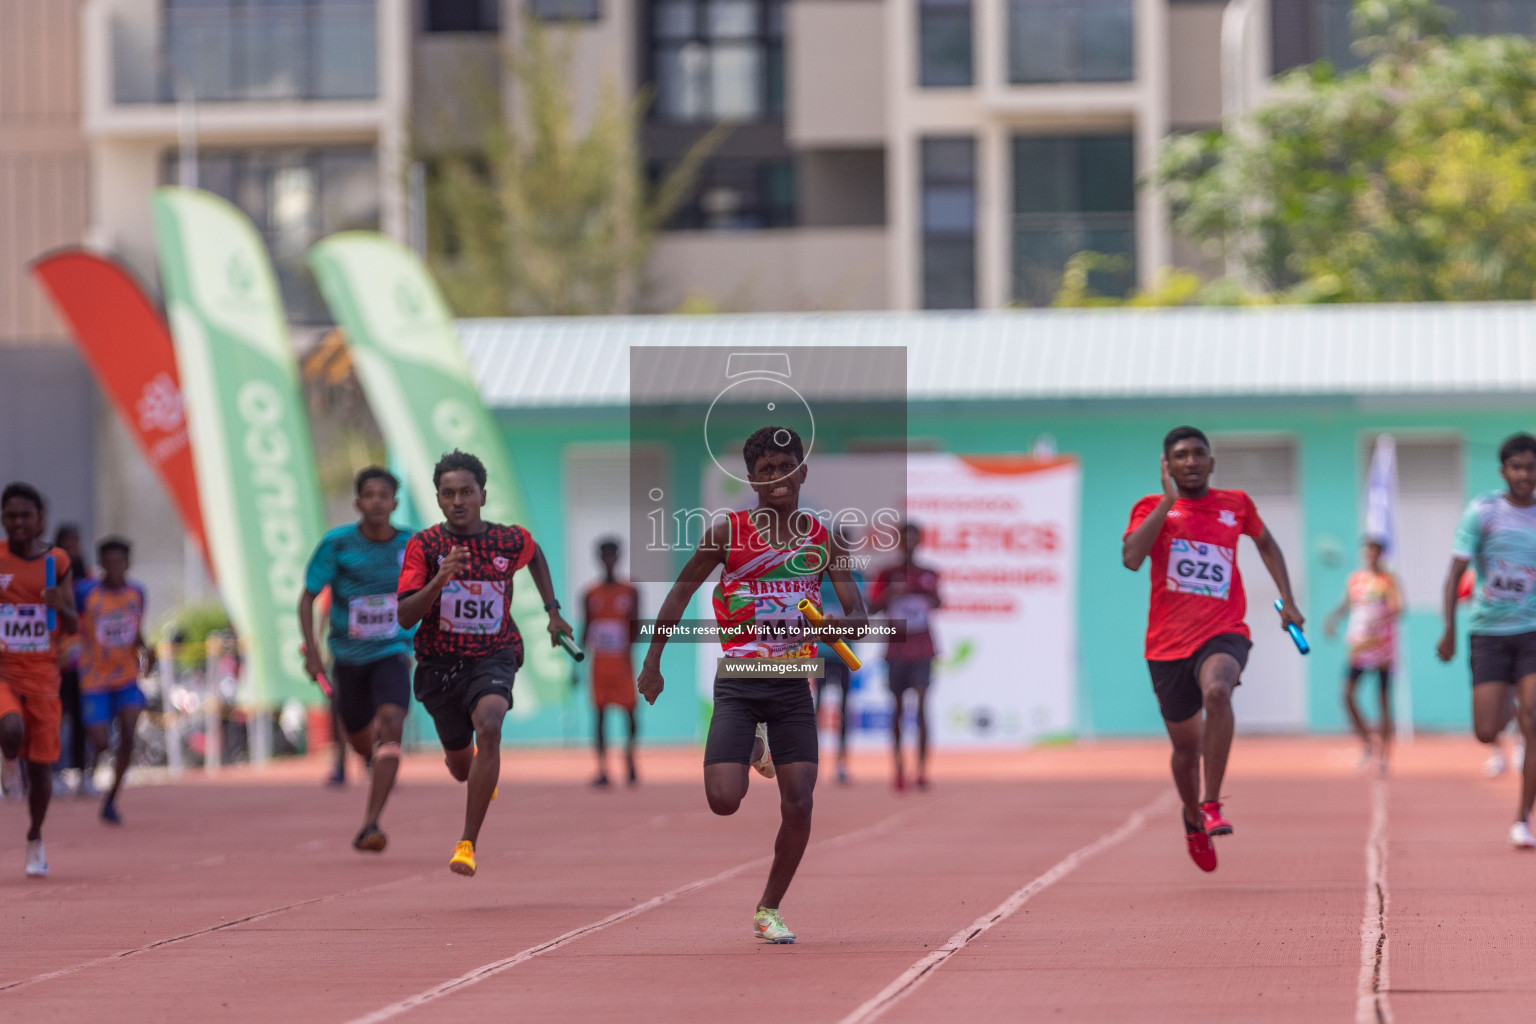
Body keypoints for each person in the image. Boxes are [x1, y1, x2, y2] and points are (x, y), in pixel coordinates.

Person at [637, 425, 868, 944]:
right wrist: (654, 662)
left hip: (791, 686)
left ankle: (769, 907)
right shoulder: (727, 533)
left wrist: (837, 624)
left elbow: (858, 611)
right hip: (739, 684)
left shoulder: (822, 537)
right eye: (766, 470)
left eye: (786, 467)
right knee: (723, 799)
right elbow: (678, 596)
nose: (778, 477)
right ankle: (753, 745)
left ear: (802, 473)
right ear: (752, 480)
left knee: (801, 803)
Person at [1121, 427, 1304, 873]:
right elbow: (1130, 558)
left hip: (1224, 628)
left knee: (1218, 692)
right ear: (1167, 464)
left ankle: (1210, 803)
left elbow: (1266, 542)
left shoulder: (1235, 503)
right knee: (1185, 751)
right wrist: (1166, 503)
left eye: (1199, 454)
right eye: (1181, 456)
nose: (1191, 462)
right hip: (1166, 646)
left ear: (1212, 462)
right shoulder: (1151, 507)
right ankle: (1191, 819)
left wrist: (1289, 599)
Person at [397, 450, 571, 876]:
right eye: (448, 494)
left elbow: (537, 555)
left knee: (490, 725)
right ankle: (478, 774)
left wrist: (552, 610)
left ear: (483, 494)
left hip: (493, 654)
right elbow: (404, 615)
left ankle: (467, 843)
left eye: (467, 492)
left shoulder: (508, 540)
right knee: (462, 767)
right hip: (439, 665)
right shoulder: (426, 545)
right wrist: (440, 579)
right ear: (438, 499)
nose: (458, 501)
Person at [300, 467, 416, 852]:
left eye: (385, 495)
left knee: (393, 722)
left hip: (393, 651)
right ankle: (372, 756)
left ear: (395, 503)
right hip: (348, 658)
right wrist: (313, 651)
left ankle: (371, 823)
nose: (377, 502)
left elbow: (432, 593)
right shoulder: (338, 544)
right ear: (358, 502)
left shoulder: (412, 544)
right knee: (361, 741)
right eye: (369, 495)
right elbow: (307, 597)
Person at [1436, 432, 1536, 849]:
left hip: (1531, 632)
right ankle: (1512, 699)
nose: (1525, 475)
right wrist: (1448, 631)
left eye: (1532, 468)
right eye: (1518, 468)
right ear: (1504, 471)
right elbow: (1454, 574)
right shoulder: (1483, 511)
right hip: (1489, 633)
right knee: (1486, 730)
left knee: (1535, 720)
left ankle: (1521, 819)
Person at [0, 482, 79, 877]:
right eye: (10, 515)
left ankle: (34, 836)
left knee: (42, 771)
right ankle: (8, 760)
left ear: (39, 519)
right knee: (10, 726)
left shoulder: (57, 561)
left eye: (25, 516)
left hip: (44, 677)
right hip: (3, 673)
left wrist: (58, 604)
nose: (17, 523)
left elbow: (73, 623)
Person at [77, 537, 154, 825]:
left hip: (125, 677)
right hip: (94, 679)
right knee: (100, 742)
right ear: (101, 565)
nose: (114, 568)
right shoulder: (87, 593)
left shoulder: (137, 593)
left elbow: (135, 630)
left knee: (129, 733)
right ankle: (90, 765)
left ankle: (111, 798)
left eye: (120, 562)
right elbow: (71, 621)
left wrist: (147, 652)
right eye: (108, 563)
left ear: (128, 564)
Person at [870, 522, 942, 791]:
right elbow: (873, 607)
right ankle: (899, 769)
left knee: (923, 705)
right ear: (898, 542)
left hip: (923, 647)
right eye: (905, 539)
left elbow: (938, 603)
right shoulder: (887, 573)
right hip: (896, 648)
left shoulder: (929, 573)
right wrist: (892, 593)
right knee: (898, 708)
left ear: (920, 542)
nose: (909, 544)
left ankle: (922, 770)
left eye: (914, 539)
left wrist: (924, 592)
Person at [1323, 539, 1402, 775]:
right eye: (1367, 552)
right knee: (1347, 694)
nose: (1371, 556)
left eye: (1375, 552)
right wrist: (1333, 618)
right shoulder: (1355, 579)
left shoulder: (1389, 580)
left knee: (1383, 700)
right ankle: (1367, 741)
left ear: (1381, 554)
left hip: (1383, 647)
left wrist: (1385, 606)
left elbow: (1399, 608)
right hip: (1359, 646)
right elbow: (1346, 604)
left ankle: (1385, 755)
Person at [579, 538, 641, 788]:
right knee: (600, 716)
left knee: (630, 713)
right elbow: (586, 628)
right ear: (599, 558)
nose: (609, 560)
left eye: (613, 555)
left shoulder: (630, 592)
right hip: (600, 664)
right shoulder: (589, 594)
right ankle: (603, 769)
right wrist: (576, 662)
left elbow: (636, 627)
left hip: (622, 663)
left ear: (619, 557)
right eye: (605, 555)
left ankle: (630, 761)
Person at [814, 527, 863, 786]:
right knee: (816, 707)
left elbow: (861, 613)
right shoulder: (815, 575)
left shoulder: (855, 576)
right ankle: (813, 760)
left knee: (843, 708)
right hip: (820, 652)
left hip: (844, 653)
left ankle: (842, 763)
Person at [51, 524, 92, 796]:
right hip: (55, 658)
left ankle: (82, 773)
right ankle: (52, 772)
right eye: (67, 541)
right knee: (55, 716)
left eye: (76, 540)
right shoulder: (49, 575)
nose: (72, 545)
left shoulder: (86, 576)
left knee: (80, 718)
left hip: (82, 659)